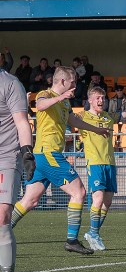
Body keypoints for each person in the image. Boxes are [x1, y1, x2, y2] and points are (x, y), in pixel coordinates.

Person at [8, 66, 112, 255]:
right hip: (49, 154)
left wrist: (97, 130)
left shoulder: (65, 102)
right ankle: (71, 240)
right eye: (73, 82)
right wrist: (60, 97)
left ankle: (3, 229)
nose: (75, 85)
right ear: (63, 81)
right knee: (79, 192)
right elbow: (40, 106)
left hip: (44, 156)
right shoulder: (45, 94)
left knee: (30, 200)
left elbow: (74, 121)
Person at [78, 86, 126, 251]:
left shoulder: (108, 116)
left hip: (110, 163)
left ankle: (93, 233)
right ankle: (93, 233)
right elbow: (65, 120)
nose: (101, 101)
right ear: (90, 100)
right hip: (95, 162)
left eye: (103, 98)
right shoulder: (82, 117)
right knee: (98, 198)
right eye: (98, 98)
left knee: (107, 202)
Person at [0, 64, 36, 272]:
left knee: (2, 216)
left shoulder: (11, 83)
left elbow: (22, 122)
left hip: (6, 156)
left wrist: (27, 153)